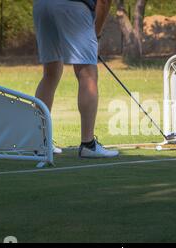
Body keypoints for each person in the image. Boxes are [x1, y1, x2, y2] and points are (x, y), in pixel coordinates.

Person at [33, 0, 118, 158]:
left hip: (41, 5)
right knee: (87, 74)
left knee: (50, 73)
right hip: (73, 6)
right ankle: (88, 145)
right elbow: (104, 2)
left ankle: (40, 143)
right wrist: (96, 33)